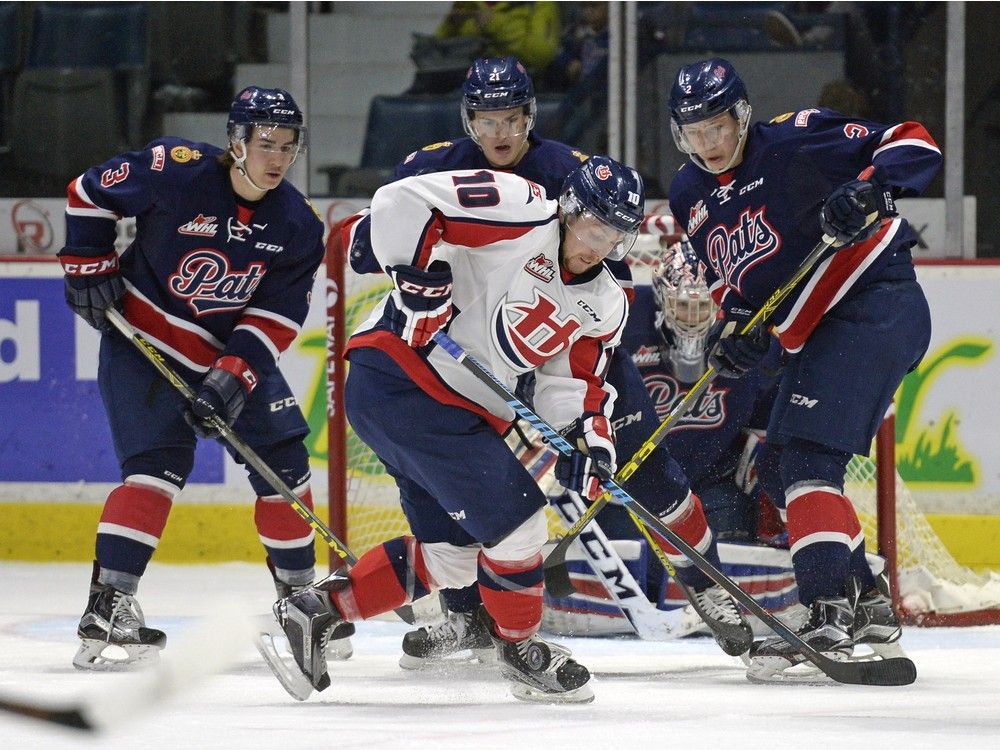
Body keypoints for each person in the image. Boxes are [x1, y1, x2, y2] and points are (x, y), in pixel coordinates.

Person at [339, 57, 751, 667]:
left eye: (512, 118)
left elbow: (604, 272)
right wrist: (416, 275)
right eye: (486, 119)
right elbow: (359, 244)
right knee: (440, 489)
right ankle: (469, 616)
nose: (500, 133)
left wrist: (585, 430)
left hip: (565, 340)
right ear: (467, 119)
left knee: (637, 458)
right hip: (467, 352)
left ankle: (711, 586)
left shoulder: (565, 173)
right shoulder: (432, 169)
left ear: (530, 117)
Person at [259, 156, 642, 704]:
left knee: (453, 557)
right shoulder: (522, 210)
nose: (599, 247)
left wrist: (587, 443)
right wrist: (416, 279)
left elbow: (572, 386)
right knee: (521, 528)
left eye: (616, 238)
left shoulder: (605, 301)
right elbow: (400, 201)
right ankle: (520, 649)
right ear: (571, 210)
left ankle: (314, 612)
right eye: (594, 230)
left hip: (449, 407)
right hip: (401, 374)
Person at [665, 58, 941, 681]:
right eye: (694, 132)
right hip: (812, 335)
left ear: (740, 116)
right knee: (777, 467)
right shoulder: (688, 193)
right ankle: (866, 599)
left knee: (810, 460)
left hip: (873, 303)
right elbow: (737, 291)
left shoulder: (793, 138)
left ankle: (826, 610)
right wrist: (737, 337)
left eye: (717, 127)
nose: (708, 144)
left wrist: (870, 189)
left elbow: (912, 140)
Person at [60, 86, 326, 671]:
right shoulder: (177, 170)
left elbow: (276, 314)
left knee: (283, 463)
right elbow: (89, 192)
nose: (277, 159)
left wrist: (231, 379)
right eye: (265, 145)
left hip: (228, 354)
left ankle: (303, 603)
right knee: (155, 471)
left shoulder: (299, 223)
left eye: (287, 147)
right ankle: (109, 606)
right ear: (236, 142)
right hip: (145, 344)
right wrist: (87, 261)